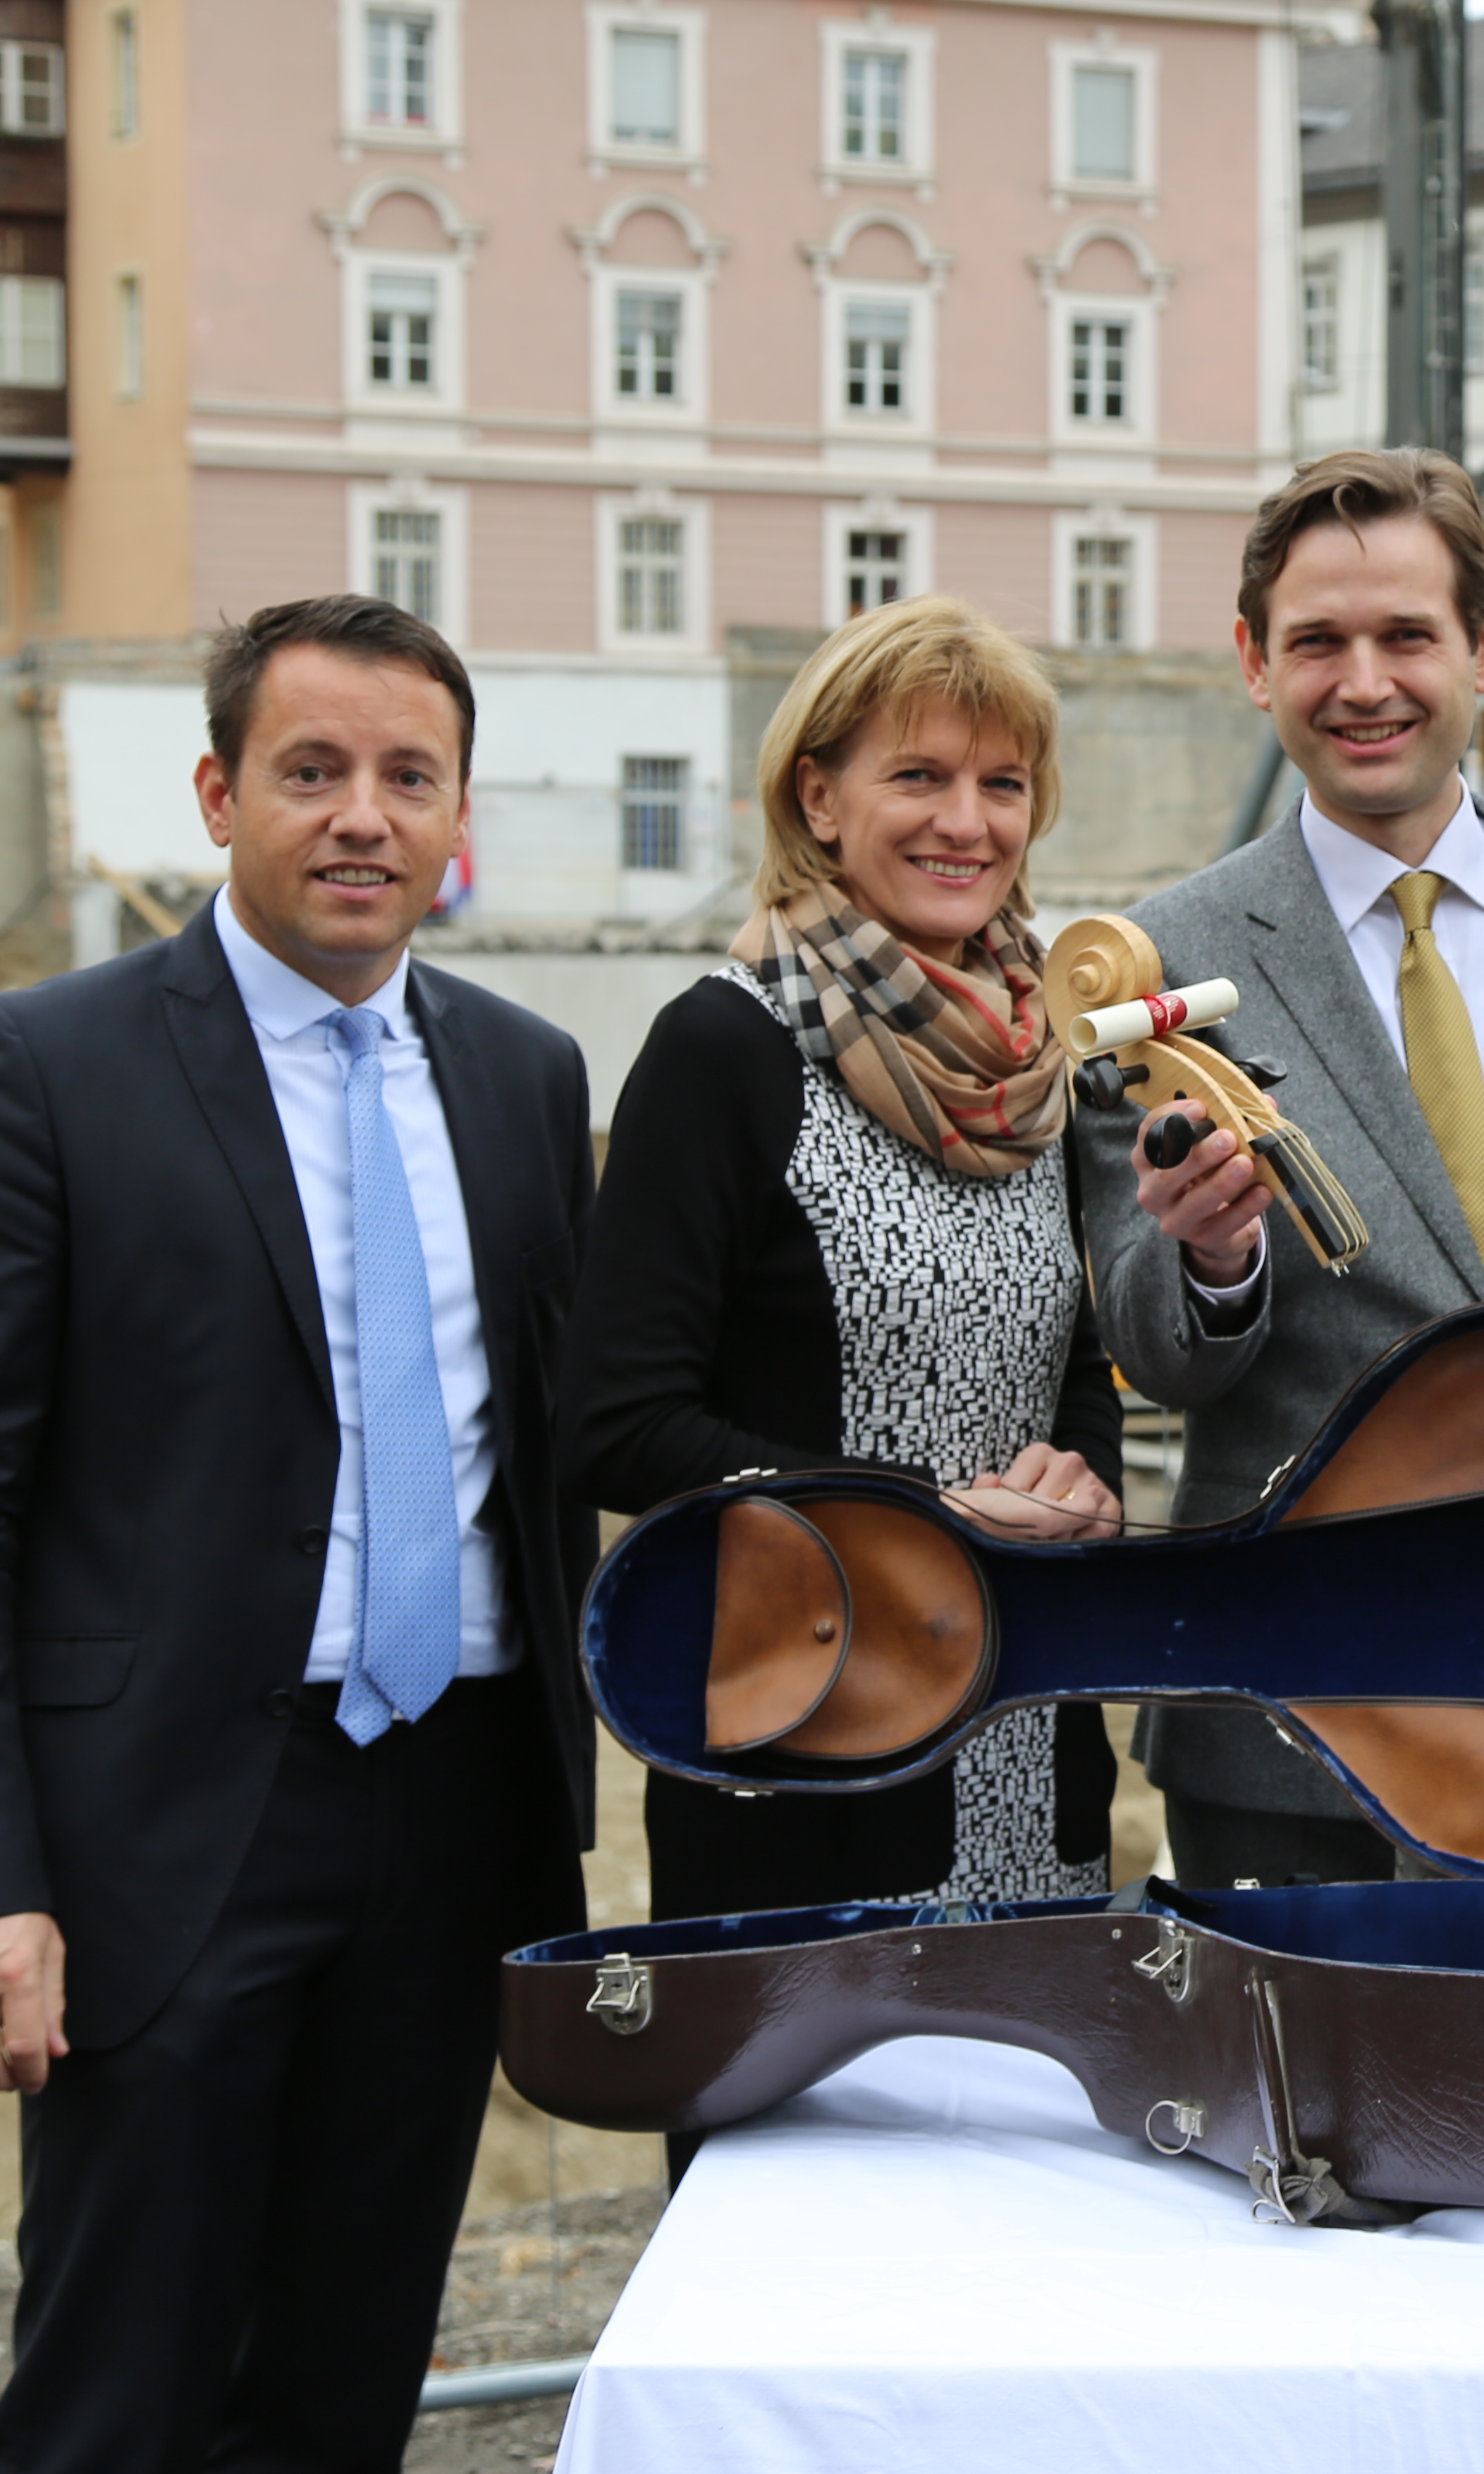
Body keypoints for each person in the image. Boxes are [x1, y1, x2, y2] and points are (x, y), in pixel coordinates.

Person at [0, 594, 596, 2472]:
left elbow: (578, 1426)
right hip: (164, 1833)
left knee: (345, 2386)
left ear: (457, 817)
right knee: (120, 2392)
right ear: (217, 793)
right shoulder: (37, 1071)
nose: (362, 817)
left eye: (408, 778)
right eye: (312, 771)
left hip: (453, 1821)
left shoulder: (526, 1080)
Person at [1089, 446, 1484, 1886]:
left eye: (1406, 637)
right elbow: (1148, 1341)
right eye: (1318, 641)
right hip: (1289, 1705)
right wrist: (1209, 1258)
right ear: (1256, 664)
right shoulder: (1158, 955)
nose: (1363, 681)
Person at [563, 596, 1120, 1988]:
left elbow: (1069, 1377)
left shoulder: (1040, 1061)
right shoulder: (723, 1049)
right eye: (917, 776)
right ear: (818, 795)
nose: (967, 824)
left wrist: (1084, 1488)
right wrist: (914, 1516)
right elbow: (617, 1420)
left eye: (1002, 785)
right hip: (806, 1758)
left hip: (1029, 1748)